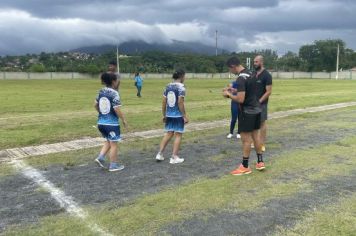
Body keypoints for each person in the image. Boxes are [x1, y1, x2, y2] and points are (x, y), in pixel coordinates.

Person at [223, 57, 265, 175]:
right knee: (256, 137)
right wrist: (233, 89)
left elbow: (240, 99)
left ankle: (245, 166)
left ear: (233, 66)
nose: (230, 72)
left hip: (247, 112)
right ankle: (260, 162)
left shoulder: (241, 78)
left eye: (229, 69)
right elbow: (249, 90)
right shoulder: (251, 73)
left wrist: (228, 94)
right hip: (257, 109)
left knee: (246, 140)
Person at [94, 72, 128, 172]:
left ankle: (100, 157)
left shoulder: (101, 91)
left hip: (101, 123)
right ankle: (113, 165)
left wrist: (102, 113)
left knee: (108, 141)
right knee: (114, 144)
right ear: (113, 81)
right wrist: (124, 120)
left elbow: (95, 105)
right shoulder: (114, 93)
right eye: (117, 80)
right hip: (111, 124)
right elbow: (116, 109)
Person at [155, 69, 189, 164]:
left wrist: (164, 114)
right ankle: (174, 157)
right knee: (178, 135)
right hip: (178, 115)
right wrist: (184, 116)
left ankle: (160, 154)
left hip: (169, 115)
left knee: (168, 133)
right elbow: (180, 102)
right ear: (182, 76)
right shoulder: (181, 87)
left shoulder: (168, 86)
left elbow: (163, 101)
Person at [254, 55, 272, 152]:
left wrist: (259, 101)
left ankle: (262, 144)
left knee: (262, 123)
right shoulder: (254, 73)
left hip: (262, 104)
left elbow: (268, 91)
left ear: (261, 62)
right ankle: (256, 142)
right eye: (254, 62)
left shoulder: (267, 75)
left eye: (256, 62)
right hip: (252, 103)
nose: (254, 63)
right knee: (254, 123)